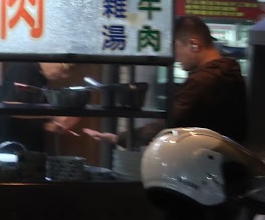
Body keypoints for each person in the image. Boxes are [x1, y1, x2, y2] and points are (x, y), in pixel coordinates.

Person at [84, 15, 248, 146]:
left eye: (176, 49)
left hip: (210, 167)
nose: (175, 57)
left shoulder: (204, 81)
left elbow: (170, 124)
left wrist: (120, 138)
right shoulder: (229, 72)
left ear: (194, 45)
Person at [0, 61, 81, 151]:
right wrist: (52, 114)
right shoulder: (24, 67)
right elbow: (10, 106)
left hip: (24, 147)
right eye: (65, 68)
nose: (65, 75)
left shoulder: (41, 76)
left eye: (69, 72)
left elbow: (33, 106)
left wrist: (52, 123)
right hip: (5, 145)